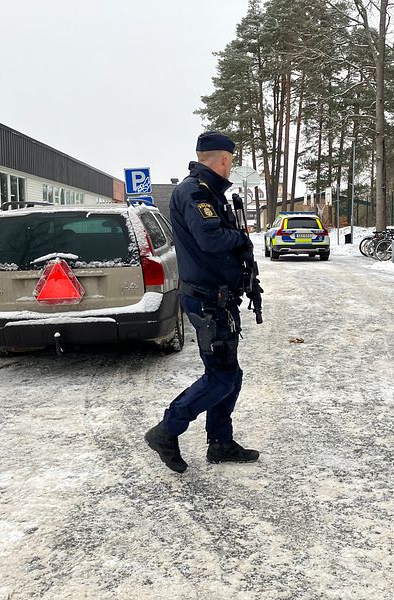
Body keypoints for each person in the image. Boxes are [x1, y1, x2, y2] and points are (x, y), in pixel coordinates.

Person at [145, 131, 260, 473]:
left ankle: (220, 442)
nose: (232, 167)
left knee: (228, 374)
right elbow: (210, 239)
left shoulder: (207, 191)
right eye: (231, 161)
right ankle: (168, 429)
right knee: (222, 377)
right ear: (224, 159)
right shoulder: (195, 192)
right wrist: (240, 237)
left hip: (218, 297)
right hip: (209, 300)